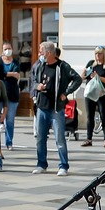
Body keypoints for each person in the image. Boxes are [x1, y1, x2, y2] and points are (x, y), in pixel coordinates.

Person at [29, 42, 79, 175]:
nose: (39, 53)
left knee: (60, 138)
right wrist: (37, 86)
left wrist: (66, 92)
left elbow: (77, 79)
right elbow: (32, 79)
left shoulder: (62, 66)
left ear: (49, 53)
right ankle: (41, 164)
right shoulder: (39, 65)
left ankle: (63, 165)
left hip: (56, 108)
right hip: (41, 106)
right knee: (40, 138)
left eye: (41, 51)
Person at [81, 47, 105, 148]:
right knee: (89, 116)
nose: (97, 56)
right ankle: (89, 139)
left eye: (99, 54)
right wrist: (84, 73)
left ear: (104, 55)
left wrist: (98, 77)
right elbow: (82, 77)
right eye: (96, 54)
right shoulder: (91, 64)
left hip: (101, 94)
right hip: (90, 93)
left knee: (103, 115)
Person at [0, 41, 21, 151]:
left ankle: (9, 142)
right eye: (5, 49)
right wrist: (11, 74)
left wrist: (6, 74)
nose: (7, 50)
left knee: (10, 120)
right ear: (2, 51)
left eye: (9, 48)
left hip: (12, 95)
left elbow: (17, 74)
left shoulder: (15, 62)